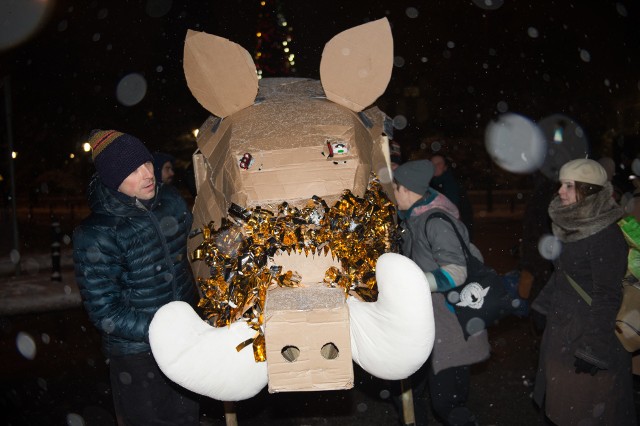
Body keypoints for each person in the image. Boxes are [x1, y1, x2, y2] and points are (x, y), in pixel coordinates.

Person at [72, 130, 200, 425]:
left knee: (186, 418)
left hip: (187, 342)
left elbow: (195, 249)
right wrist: (161, 330)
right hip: (137, 356)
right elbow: (105, 311)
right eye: (132, 170)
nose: (146, 174)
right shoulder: (96, 234)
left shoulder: (170, 200)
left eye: (146, 163)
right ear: (113, 180)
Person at [531, 158, 636, 425]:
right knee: (562, 409)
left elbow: (608, 294)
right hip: (563, 332)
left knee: (586, 411)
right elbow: (563, 273)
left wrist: (592, 350)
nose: (560, 191)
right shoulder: (571, 226)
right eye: (561, 184)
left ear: (588, 191)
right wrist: (541, 307)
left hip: (589, 335)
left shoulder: (606, 235)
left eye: (568, 186)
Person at [392, 159, 489, 426]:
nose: (392, 193)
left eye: (395, 188)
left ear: (407, 189)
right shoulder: (413, 219)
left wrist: (412, 282)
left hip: (450, 328)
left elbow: (456, 272)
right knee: (410, 395)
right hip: (428, 327)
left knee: (447, 404)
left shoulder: (435, 221)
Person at [429, 154, 474, 239]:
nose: (435, 166)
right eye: (433, 164)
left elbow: (452, 209)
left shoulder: (450, 184)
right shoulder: (430, 184)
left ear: (445, 166)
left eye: (439, 164)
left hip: (453, 232)